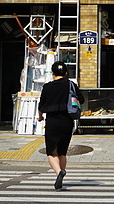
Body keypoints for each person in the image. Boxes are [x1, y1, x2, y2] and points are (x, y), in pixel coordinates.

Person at [38, 61, 84, 190]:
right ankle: (61, 175)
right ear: (65, 73)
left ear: (53, 74)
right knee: (62, 152)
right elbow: (81, 99)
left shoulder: (47, 87)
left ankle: (59, 173)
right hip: (67, 121)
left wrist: (40, 117)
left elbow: (41, 105)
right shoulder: (71, 85)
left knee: (52, 152)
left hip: (52, 122)